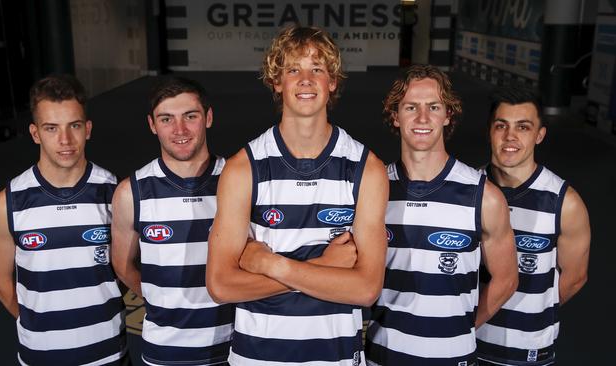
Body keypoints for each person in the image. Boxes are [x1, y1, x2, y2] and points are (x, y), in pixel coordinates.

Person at [206, 25, 389, 366]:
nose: (305, 80)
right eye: (293, 70)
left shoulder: (367, 168)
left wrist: (270, 264)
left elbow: (365, 289)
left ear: (332, 81)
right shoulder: (243, 168)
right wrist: (322, 267)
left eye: (317, 69)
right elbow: (221, 285)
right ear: (277, 82)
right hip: (256, 358)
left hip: (335, 359)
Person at [365, 64, 519, 365]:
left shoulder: (483, 196)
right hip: (383, 356)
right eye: (411, 107)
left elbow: (507, 278)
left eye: (433, 107)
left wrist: (461, 328)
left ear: (448, 114)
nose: (422, 118)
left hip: (453, 357)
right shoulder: (375, 190)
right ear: (395, 116)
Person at [0, 74, 128, 365]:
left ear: (87, 129)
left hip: (108, 352)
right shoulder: (7, 203)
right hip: (40, 356)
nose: (65, 140)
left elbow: (130, 268)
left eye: (73, 126)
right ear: (36, 133)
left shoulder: (115, 194)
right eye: (51, 128)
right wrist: (39, 323)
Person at [111, 76, 234, 366]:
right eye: (167, 119)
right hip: (164, 352)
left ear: (208, 117)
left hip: (234, 349)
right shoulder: (132, 192)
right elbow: (122, 265)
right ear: (153, 125)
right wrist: (160, 300)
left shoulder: (237, 180)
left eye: (190, 116)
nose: (179, 130)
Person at [476, 86, 590, 365]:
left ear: (539, 135)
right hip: (468, 342)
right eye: (501, 125)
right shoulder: (468, 190)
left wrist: (533, 309)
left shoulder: (565, 202)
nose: (510, 137)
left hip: (527, 351)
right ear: (490, 130)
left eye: (523, 127)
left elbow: (574, 278)